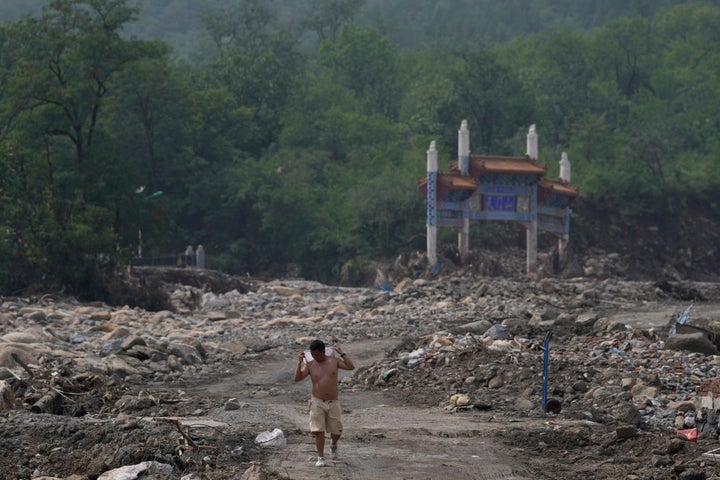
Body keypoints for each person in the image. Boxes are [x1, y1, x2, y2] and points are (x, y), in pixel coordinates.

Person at [294, 339, 355, 467]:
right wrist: (299, 362)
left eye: (317, 354)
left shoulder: (334, 361)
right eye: (313, 354)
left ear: (323, 352)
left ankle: (333, 445)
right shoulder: (310, 364)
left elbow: (351, 367)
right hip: (317, 401)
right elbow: (297, 378)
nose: (315, 357)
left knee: (336, 431)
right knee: (318, 431)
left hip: (333, 401)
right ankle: (320, 457)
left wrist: (342, 353)